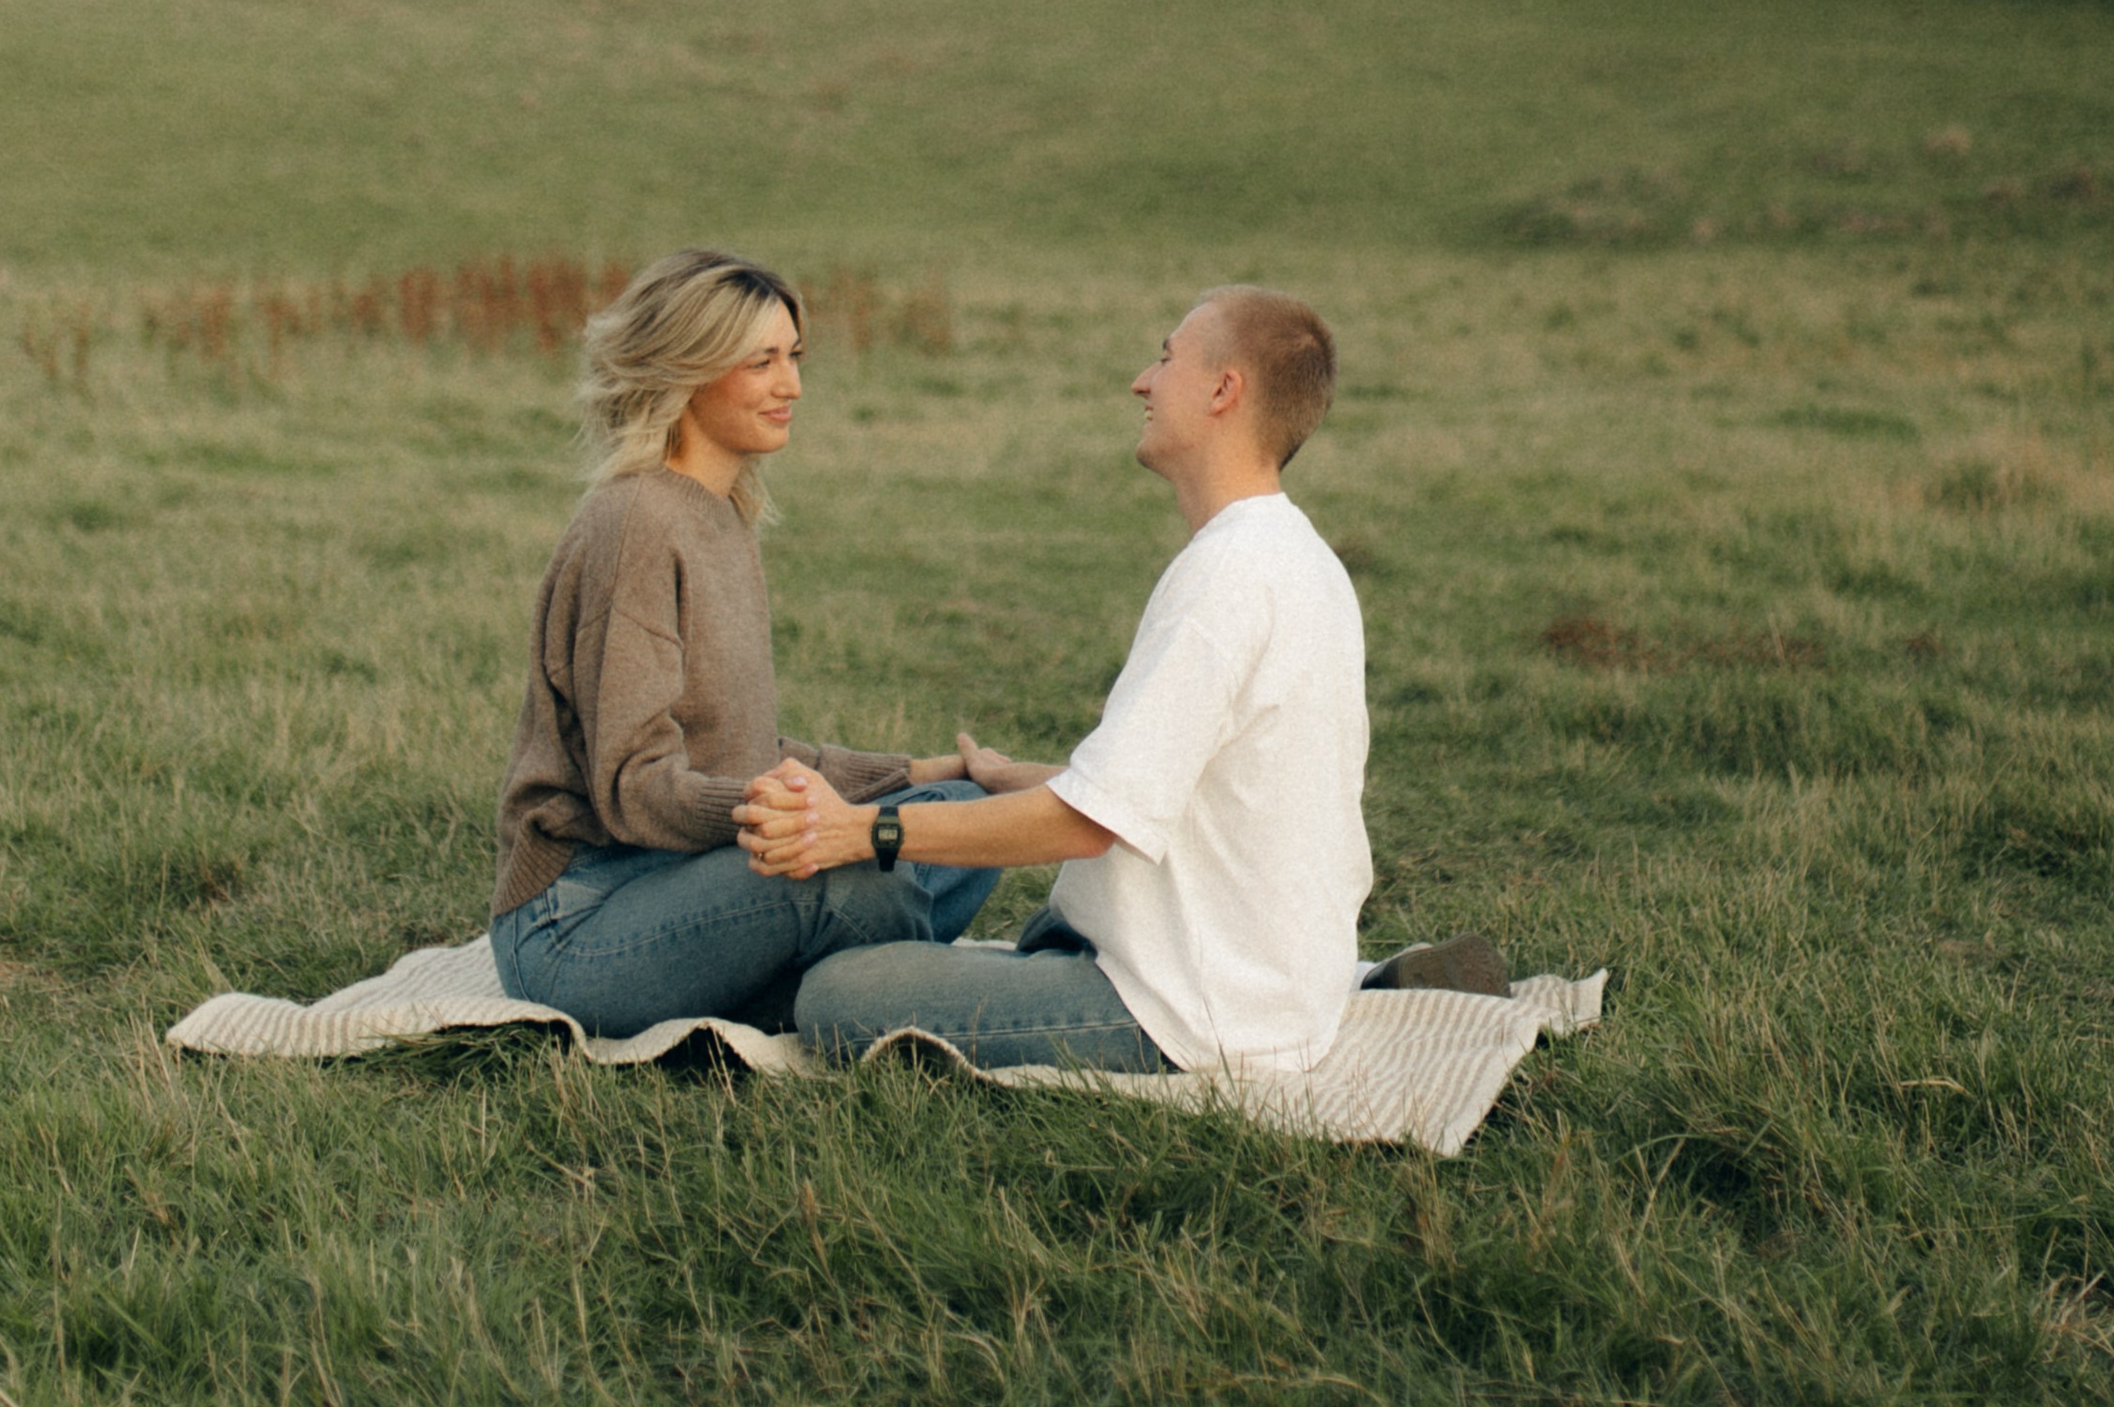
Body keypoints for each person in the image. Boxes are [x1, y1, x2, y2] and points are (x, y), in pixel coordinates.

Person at [740, 285, 1433, 1077]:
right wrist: (1016, 780)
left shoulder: (1227, 580)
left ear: (1222, 389)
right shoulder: (1297, 557)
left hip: (1191, 1015)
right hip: (1270, 993)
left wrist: (861, 831)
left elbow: (1084, 828)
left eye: (1167, 358)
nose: (1143, 380)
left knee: (835, 997)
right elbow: (1203, 793)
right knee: (991, 937)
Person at [489, 248, 995, 1037]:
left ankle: (809, 983)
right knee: (864, 876)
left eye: (793, 357)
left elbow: (742, 750)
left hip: (692, 876)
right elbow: (634, 786)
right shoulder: (636, 524)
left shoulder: (723, 516)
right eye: (761, 362)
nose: (792, 385)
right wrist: (806, 819)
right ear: (686, 370)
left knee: (965, 819)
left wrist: (930, 772)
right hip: (580, 922)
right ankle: (853, 994)